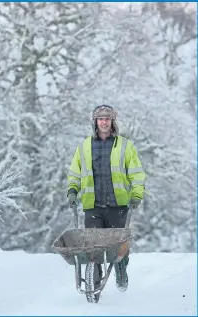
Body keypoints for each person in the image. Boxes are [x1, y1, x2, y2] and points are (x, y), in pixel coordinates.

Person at [66, 104, 145, 292]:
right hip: (92, 204)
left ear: (112, 121)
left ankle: (120, 268)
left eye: (107, 119)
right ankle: (95, 276)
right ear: (95, 121)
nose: (104, 122)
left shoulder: (125, 145)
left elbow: (136, 172)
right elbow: (75, 172)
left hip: (117, 204)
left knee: (119, 245)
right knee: (93, 246)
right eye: (100, 119)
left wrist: (136, 194)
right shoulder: (84, 146)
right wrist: (72, 190)